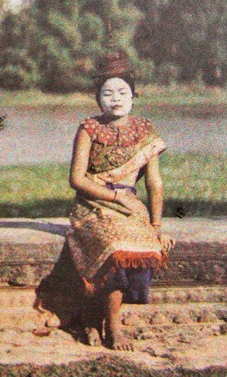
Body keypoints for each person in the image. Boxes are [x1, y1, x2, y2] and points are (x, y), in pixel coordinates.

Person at [65, 47, 173, 350]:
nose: (115, 98)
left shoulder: (146, 130)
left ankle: (105, 320)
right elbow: (76, 179)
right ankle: (102, 324)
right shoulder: (89, 129)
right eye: (108, 93)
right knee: (114, 247)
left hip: (130, 207)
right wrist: (113, 196)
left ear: (134, 96)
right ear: (98, 98)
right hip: (93, 204)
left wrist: (156, 223)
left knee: (142, 248)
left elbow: (154, 181)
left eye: (122, 92)